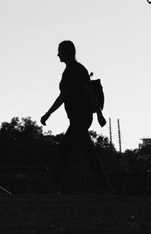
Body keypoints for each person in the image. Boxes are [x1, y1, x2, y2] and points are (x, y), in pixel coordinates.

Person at [40, 40, 109, 192]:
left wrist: (99, 113)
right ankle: (105, 186)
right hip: (78, 118)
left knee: (65, 148)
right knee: (88, 152)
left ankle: (55, 184)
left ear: (66, 52)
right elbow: (64, 96)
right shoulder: (72, 70)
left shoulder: (76, 70)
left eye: (60, 51)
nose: (57, 54)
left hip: (80, 118)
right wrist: (48, 114)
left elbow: (89, 92)